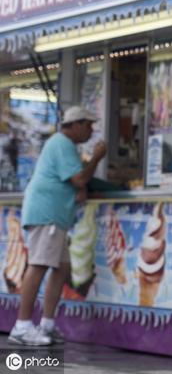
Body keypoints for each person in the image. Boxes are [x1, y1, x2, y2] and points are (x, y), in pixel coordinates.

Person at [9, 106, 106, 346]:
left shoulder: (63, 145)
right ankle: (21, 326)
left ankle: (47, 324)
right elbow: (79, 179)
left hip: (55, 216)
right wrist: (96, 157)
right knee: (39, 265)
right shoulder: (62, 143)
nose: (91, 130)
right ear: (76, 124)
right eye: (88, 125)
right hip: (47, 214)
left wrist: (81, 185)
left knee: (61, 267)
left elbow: (76, 182)